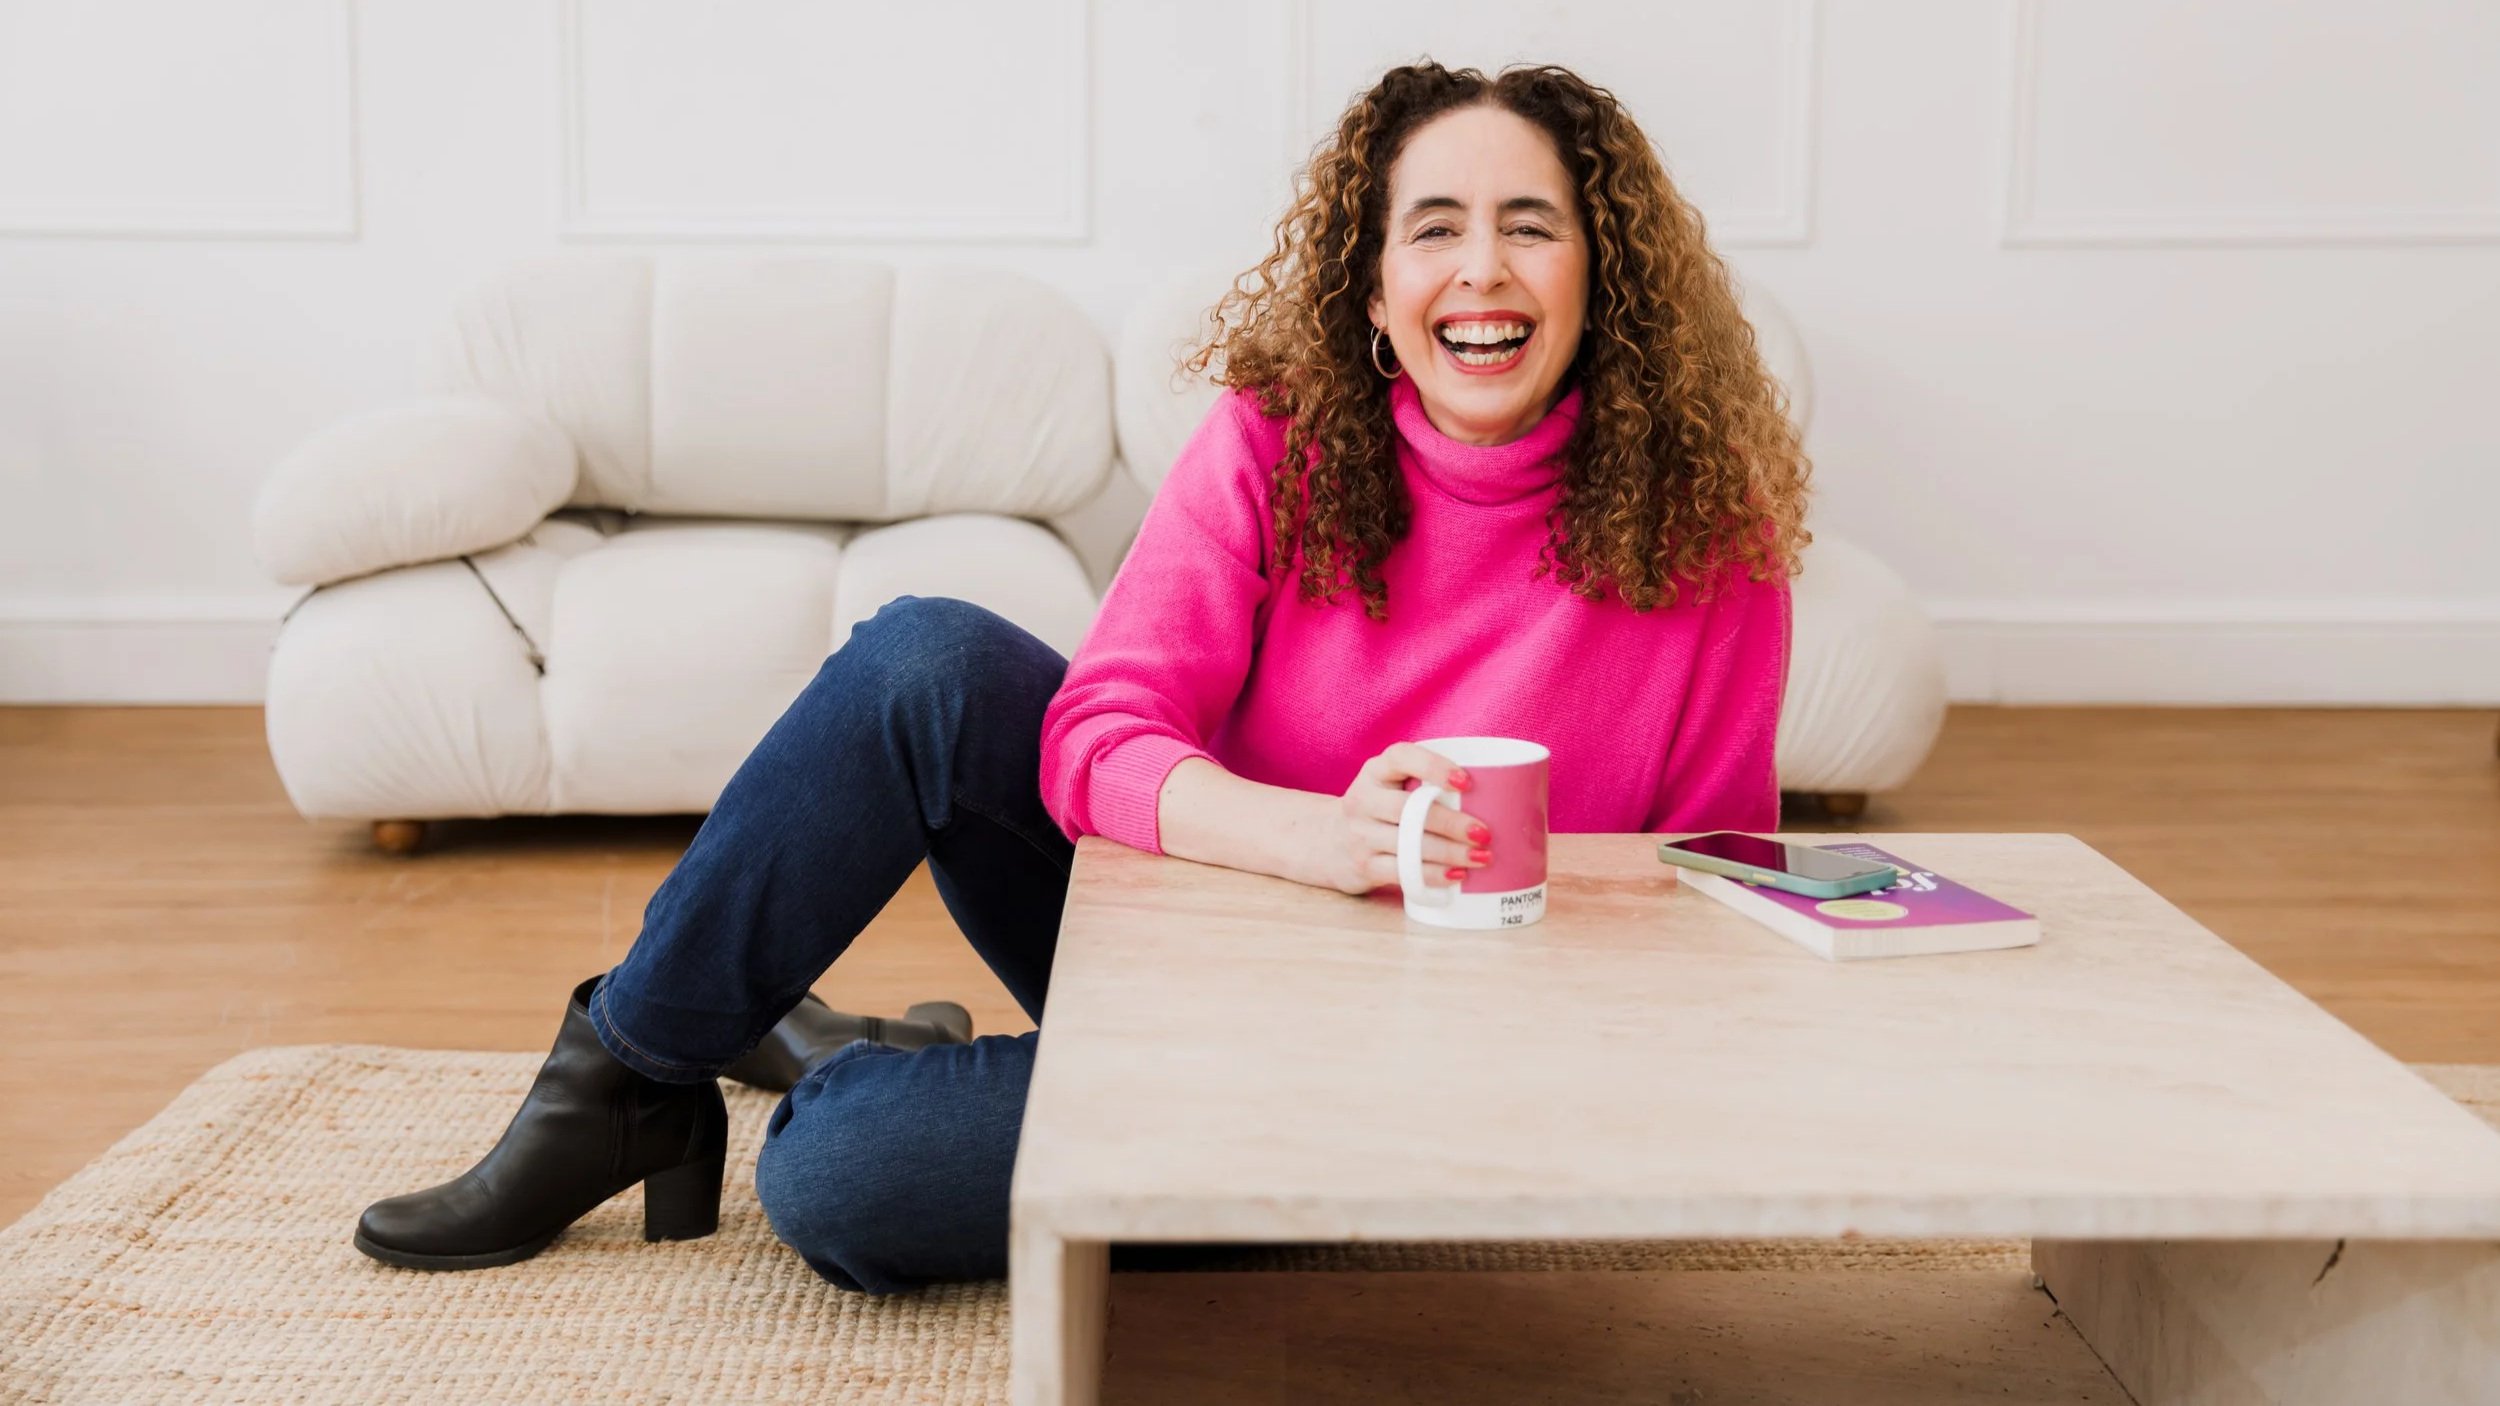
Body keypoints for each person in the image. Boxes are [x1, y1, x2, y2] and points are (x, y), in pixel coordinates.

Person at [352, 59, 1810, 1293]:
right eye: (1433, 230)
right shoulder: (1277, 445)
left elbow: (1714, 883)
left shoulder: (1709, 536)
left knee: (840, 1176)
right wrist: (1309, 834)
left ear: (1598, 276)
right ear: (1375, 292)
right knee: (928, 656)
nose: (1480, 271)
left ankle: (846, 1060)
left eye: (1529, 228)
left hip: (1402, 1079)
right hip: (1184, 957)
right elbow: (1094, 736)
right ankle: (625, 1075)